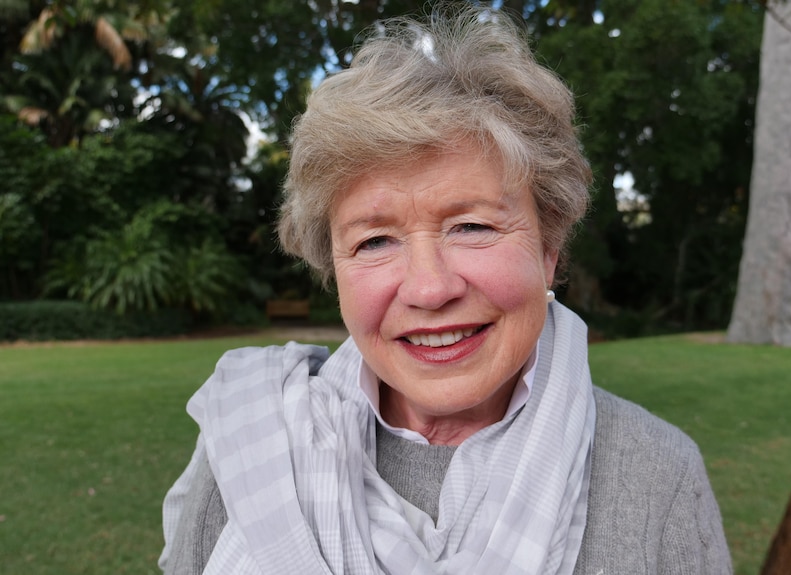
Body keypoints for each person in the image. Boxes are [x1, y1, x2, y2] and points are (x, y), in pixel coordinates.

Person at [159, 5, 733, 574]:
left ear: (549, 247)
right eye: (375, 241)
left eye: (472, 227)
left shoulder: (658, 472)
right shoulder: (252, 449)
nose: (430, 289)